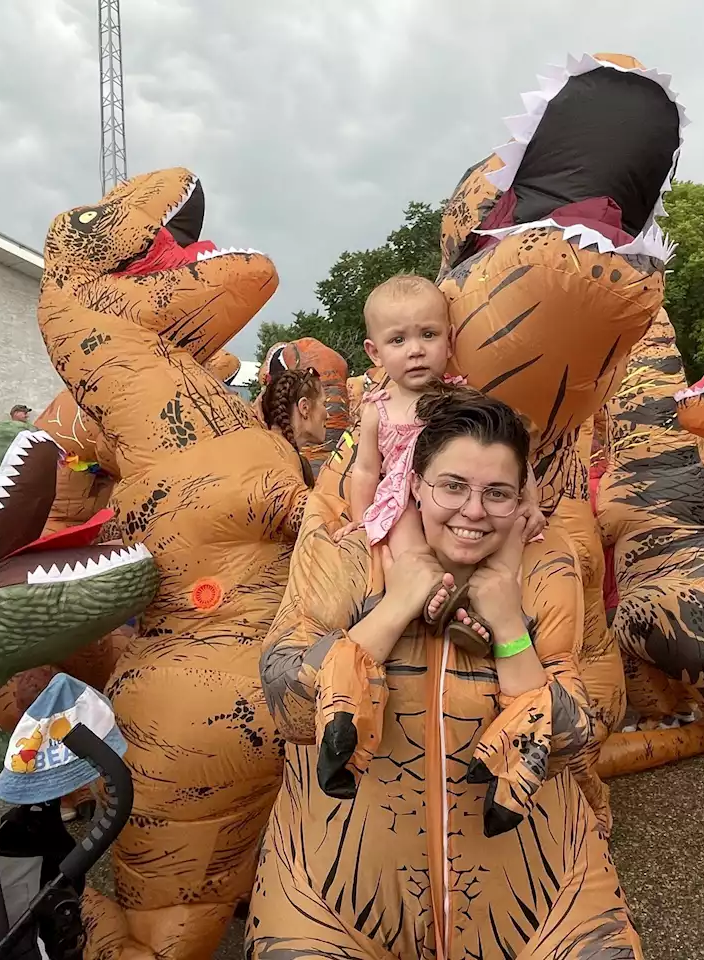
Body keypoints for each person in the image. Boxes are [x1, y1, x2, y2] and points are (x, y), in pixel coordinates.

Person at [253, 386, 642, 958]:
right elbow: (285, 699)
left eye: (497, 493)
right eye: (453, 486)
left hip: (540, 896)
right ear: (413, 483)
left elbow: (574, 738)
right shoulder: (347, 554)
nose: (474, 511)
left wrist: (510, 630)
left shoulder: (544, 563)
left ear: (520, 498)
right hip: (332, 892)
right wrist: (393, 609)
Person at [337, 274, 543, 651]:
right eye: (398, 340)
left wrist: (530, 500)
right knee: (404, 538)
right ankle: (431, 596)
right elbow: (366, 469)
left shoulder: (462, 396)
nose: (415, 350)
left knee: (515, 529)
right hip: (405, 496)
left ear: (449, 339)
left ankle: (495, 601)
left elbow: (508, 455)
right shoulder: (377, 410)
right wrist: (360, 516)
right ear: (375, 352)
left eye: (428, 335)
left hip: (460, 491)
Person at [257, 366, 328, 486]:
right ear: (304, 407)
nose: (328, 415)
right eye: (323, 404)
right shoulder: (284, 469)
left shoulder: (266, 455)